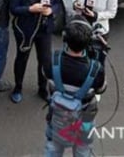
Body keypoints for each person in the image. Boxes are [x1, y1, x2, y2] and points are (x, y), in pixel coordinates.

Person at [45, 17, 106, 156]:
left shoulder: (53, 61)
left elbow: (46, 76)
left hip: (57, 117)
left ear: (64, 38)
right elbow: (101, 88)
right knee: (83, 149)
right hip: (84, 119)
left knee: (53, 147)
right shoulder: (95, 69)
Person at [9, 0, 63, 103]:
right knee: (22, 58)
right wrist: (30, 9)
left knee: (45, 60)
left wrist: (51, 11)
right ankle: (18, 87)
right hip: (26, 29)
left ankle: (42, 88)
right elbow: (14, 9)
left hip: (44, 28)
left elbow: (57, 3)